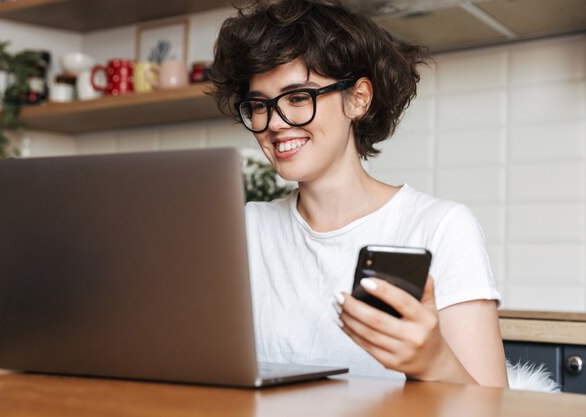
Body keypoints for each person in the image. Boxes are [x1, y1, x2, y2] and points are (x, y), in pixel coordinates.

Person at [210, 0, 508, 387]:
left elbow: (496, 407)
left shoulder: (439, 227)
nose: (275, 123)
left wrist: (434, 362)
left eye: (298, 97)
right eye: (259, 105)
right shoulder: (244, 228)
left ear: (358, 99)